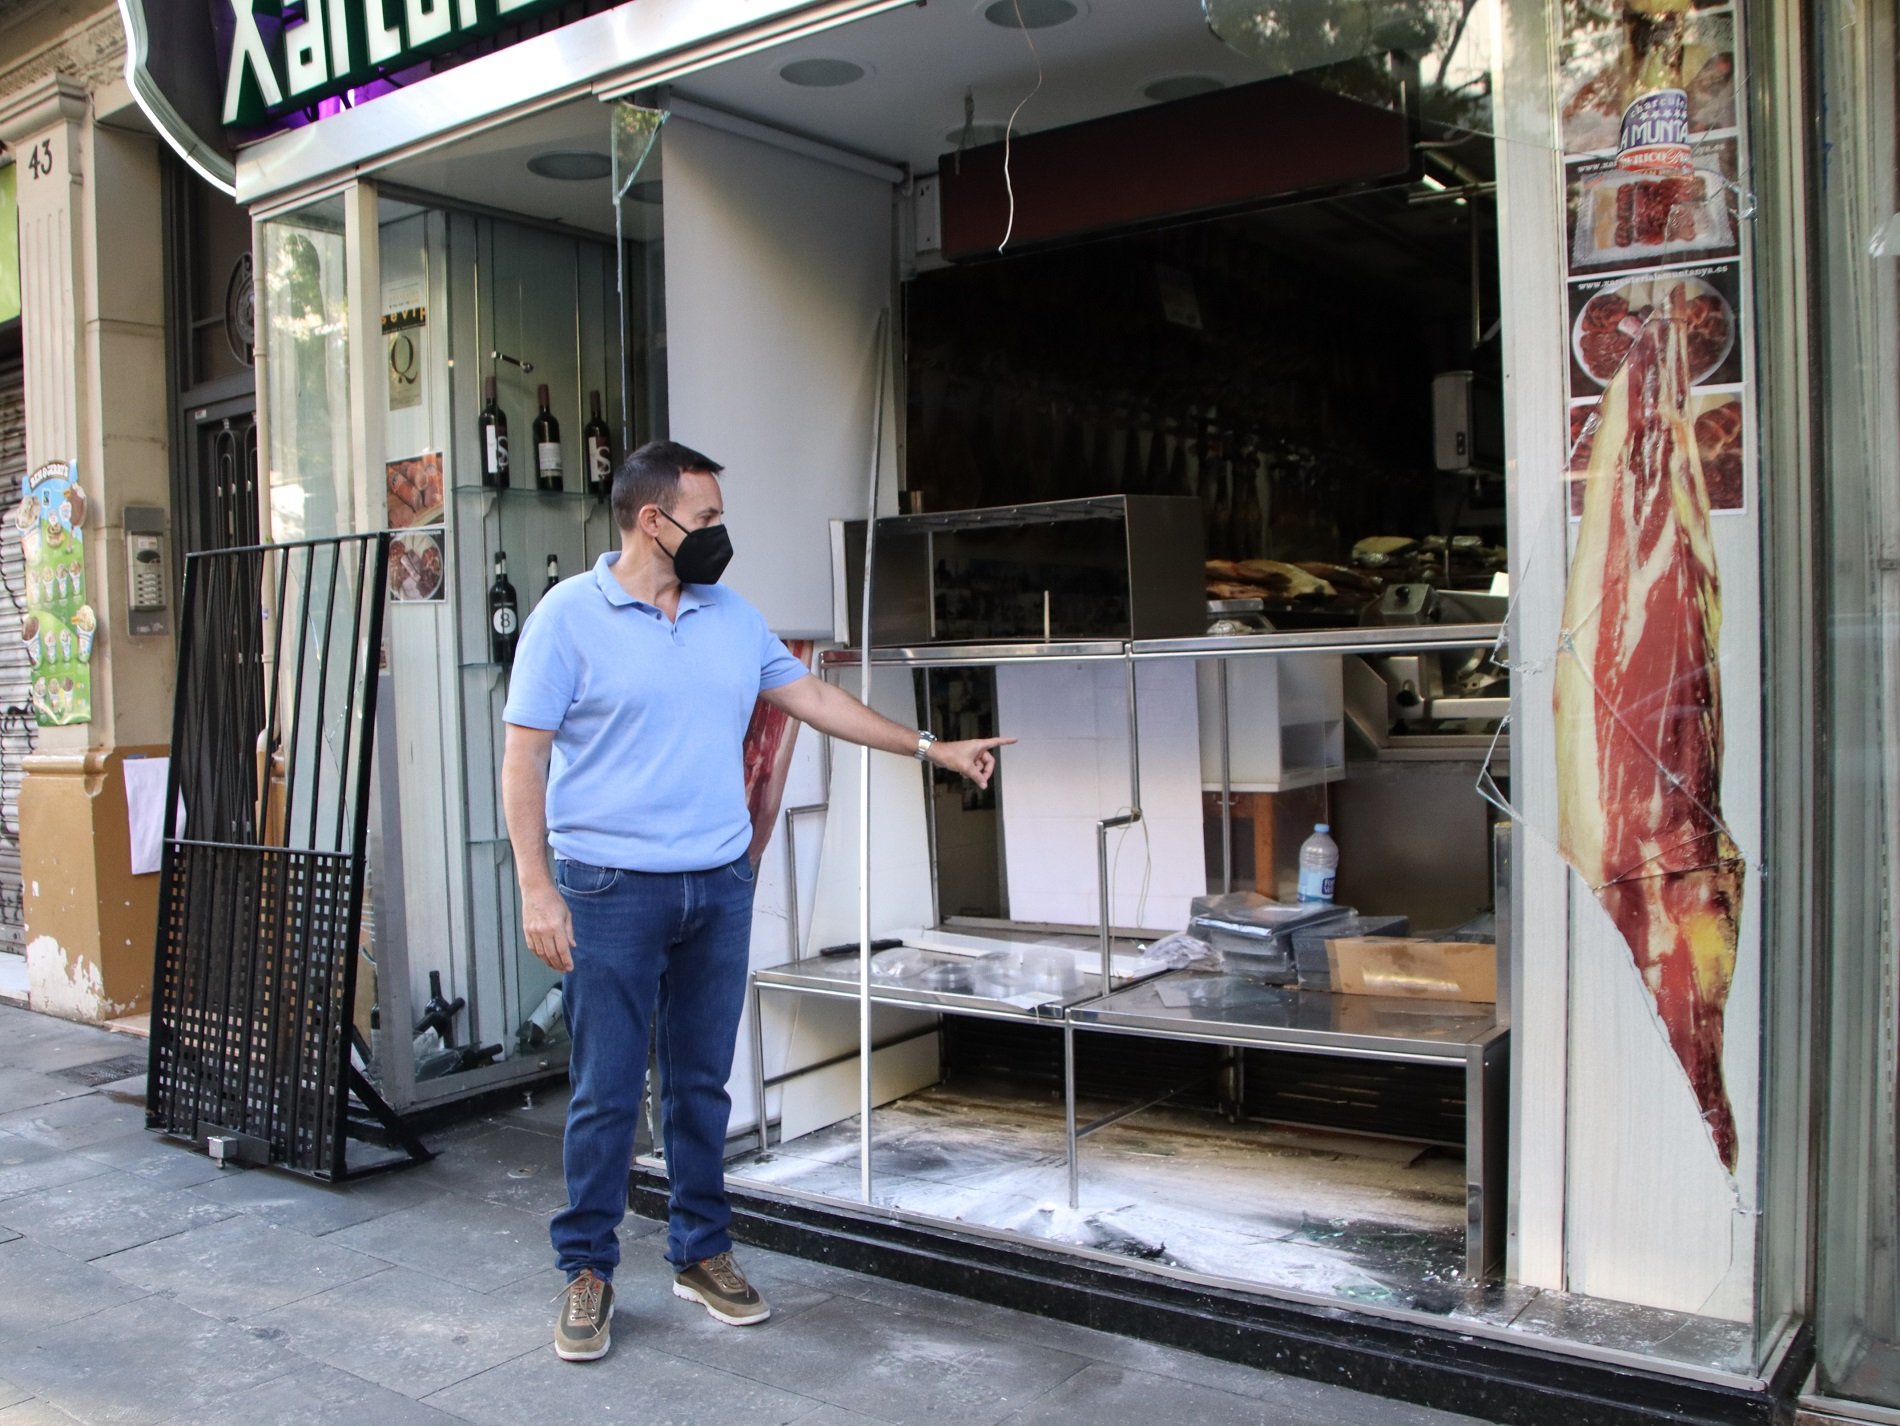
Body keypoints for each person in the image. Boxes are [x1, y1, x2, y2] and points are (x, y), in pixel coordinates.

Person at [500, 439, 1011, 1363]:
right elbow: (524, 759)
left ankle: (703, 1252)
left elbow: (812, 696)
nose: (720, 535)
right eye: (707, 518)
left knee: (701, 1085)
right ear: (652, 520)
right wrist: (538, 888)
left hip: (717, 884)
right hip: (608, 889)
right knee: (607, 1090)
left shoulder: (729, 616)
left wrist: (929, 747)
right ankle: (587, 1269)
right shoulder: (566, 619)